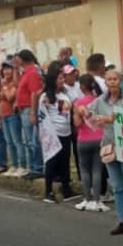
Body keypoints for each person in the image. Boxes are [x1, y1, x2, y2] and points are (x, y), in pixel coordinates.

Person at [87, 68, 123, 234]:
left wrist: (110, 119)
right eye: (109, 79)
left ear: (120, 81)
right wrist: (85, 114)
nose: (112, 82)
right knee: (117, 186)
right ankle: (122, 220)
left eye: (115, 79)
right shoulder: (100, 100)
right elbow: (88, 112)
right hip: (109, 144)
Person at [72, 74, 108, 211]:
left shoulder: (78, 103)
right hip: (99, 138)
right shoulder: (100, 101)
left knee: (85, 170)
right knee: (97, 170)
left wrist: (79, 114)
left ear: (81, 87)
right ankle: (97, 200)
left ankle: (86, 199)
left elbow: (77, 123)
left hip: (83, 139)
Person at [41, 70, 74, 203]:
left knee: (65, 161)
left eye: (63, 78)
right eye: (60, 78)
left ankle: (66, 189)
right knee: (52, 162)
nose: (62, 81)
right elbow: (42, 115)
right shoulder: (46, 96)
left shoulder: (65, 94)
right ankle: (48, 190)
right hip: (54, 133)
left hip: (66, 132)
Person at [16, 49, 45, 180]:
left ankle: (37, 167)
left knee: (33, 141)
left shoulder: (33, 72)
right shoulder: (26, 72)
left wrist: (33, 112)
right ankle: (33, 166)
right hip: (23, 109)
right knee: (28, 141)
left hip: (29, 109)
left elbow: (34, 93)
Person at [0, 61, 26, 177]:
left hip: (13, 115)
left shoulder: (14, 83)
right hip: (4, 115)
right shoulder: (4, 84)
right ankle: (14, 165)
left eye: (8, 68)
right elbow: (0, 101)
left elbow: (10, 98)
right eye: (4, 69)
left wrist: (5, 87)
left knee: (17, 141)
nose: (6, 71)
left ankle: (22, 165)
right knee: (9, 142)